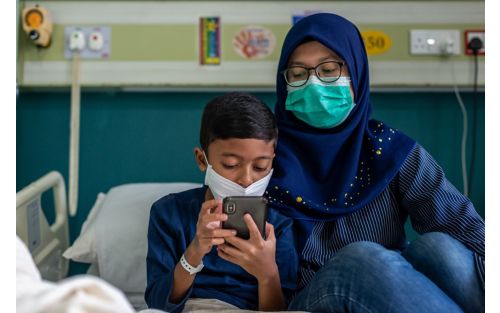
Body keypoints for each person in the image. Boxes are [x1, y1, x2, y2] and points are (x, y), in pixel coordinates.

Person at [265, 13, 485, 313]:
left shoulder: (388, 149)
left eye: (329, 69)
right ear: (284, 82)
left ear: (357, 74)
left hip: (387, 288)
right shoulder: (262, 158)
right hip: (313, 293)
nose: (314, 85)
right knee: (360, 257)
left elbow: (469, 230)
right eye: (298, 73)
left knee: (439, 248)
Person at [145, 92, 298, 312]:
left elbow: (279, 309)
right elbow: (158, 305)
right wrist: (195, 252)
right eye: (230, 164)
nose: (246, 180)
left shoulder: (278, 226)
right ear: (202, 160)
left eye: (259, 167)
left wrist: (267, 274)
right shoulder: (169, 213)